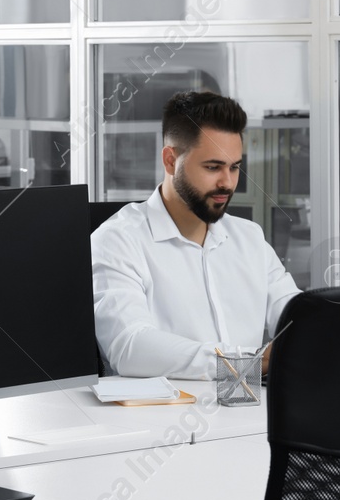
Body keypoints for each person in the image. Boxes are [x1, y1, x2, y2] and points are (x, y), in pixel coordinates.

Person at [91, 91, 301, 378]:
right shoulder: (117, 240)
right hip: (161, 418)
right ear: (170, 161)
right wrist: (247, 363)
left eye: (235, 167)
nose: (227, 183)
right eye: (212, 167)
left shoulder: (249, 237)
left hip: (253, 414)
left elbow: (297, 316)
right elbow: (130, 347)